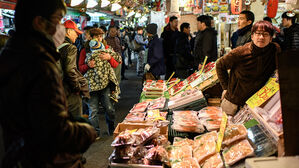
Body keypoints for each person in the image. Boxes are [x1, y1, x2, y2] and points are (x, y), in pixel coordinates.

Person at [0, 0, 96, 167]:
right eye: (58, 20)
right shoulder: (39, 65)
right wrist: (86, 130)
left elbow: (37, 115)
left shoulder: (10, 56)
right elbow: (56, 133)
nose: (60, 27)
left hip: (17, 156)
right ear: (39, 22)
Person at [216, 21, 281, 116]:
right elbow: (220, 65)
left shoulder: (274, 50)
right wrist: (226, 87)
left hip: (257, 104)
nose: (261, 37)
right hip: (234, 103)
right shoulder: (240, 52)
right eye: (258, 33)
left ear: (271, 38)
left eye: (265, 34)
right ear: (252, 36)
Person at [84, 28, 121, 137]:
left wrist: (109, 57)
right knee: (93, 111)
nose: (99, 39)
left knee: (109, 109)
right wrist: (88, 65)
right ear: (91, 38)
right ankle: (96, 133)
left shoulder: (107, 49)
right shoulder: (85, 50)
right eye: (97, 37)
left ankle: (111, 127)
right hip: (91, 85)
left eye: (101, 36)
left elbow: (115, 64)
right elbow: (80, 67)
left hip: (105, 84)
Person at [57, 20, 89, 118]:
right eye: (75, 32)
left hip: (57, 90)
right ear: (69, 31)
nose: (77, 35)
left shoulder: (55, 45)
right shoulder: (70, 48)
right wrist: (77, 87)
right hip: (69, 92)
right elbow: (70, 70)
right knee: (75, 121)